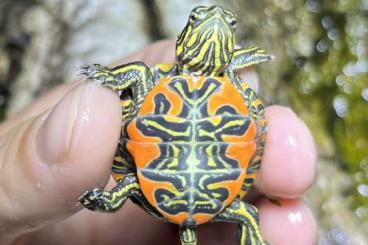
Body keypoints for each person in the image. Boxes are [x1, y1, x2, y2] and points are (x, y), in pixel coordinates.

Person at [0, 40, 317, 245]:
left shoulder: (164, 80)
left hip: (154, 178)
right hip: (212, 189)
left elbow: (138, 75)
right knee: (247, 212)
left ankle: (116, 198)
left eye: (228, 29)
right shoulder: (225, 78)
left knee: (137, 78)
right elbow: (251, 117)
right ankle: (243, 221)